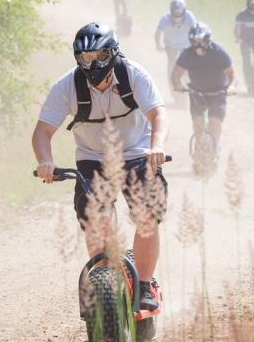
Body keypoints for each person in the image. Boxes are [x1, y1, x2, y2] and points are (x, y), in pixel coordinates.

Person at [32, 22, 169, 311]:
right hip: (92, 159)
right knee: (94, 217)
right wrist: (45, 161)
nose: (93, 64)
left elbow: (158, 114)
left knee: (147, 212)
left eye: (100, 56)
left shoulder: (133, 74)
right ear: (77, 59)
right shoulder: (67, 86)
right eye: (86, 59)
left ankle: (144, 283)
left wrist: (156, 146)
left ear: (114, 53)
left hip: (137, 153)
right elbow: (42, 132)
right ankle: (104, 277)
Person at [171, 23, 235, 147]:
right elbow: (176, 73)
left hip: (218, 93)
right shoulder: (187, 54)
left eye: (200, 40)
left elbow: (232, 73)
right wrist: (177, 84)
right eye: (194, 40)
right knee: (198, 124)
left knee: (215, 122)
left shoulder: (219, 52)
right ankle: (199, 148)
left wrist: (231, 86)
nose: (197, 43)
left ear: (207, 39)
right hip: (196, 92)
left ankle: (214, 148)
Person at [155, 0, 197, 96]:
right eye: (175, 14)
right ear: (171, 12)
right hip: (170, 46)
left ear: (184, 11)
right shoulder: (165, 18)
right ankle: (172, 88)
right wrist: (158, 44)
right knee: (172, 66)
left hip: (186, 46)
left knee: (188, 65)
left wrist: (195, 45)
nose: (177, 16)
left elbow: (196, 30)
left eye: (179, 14)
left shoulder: (190, 16)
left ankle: (190, 85)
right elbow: (158, 33)